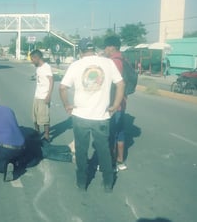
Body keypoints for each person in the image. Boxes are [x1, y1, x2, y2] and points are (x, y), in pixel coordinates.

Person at [59, 38, 124, 192]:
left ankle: (82, 182)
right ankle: (108, 183)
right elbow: (121, 84)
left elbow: (62, 88)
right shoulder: (108, 63)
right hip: (101, 117)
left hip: (80, 116)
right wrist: (115, 105)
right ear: (93, 49)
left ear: (80, 51)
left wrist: (67, 105)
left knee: (81, 150)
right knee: (104, 151)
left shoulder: (76, 65)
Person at [103, 36, 128, 171]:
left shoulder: (114, 62)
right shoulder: (122, 58)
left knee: (111, 134)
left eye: (106, 47)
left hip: (114, 105)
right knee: (120, 133)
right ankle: (120, 160)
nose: (105, 50)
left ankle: (112, 163)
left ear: (112, 47)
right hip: (121, 104)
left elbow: (116, 85)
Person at [30, 49, 53, 142]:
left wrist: (49, 95)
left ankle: (47, 136)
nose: (32, 61)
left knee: (44, 118)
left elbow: (51, 81)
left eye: (32, 59)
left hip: (44, 96)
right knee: (35, 116)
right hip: (37, 96)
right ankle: (37, 132)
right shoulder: (38, 68)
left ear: (37, 58)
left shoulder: (46, 67)